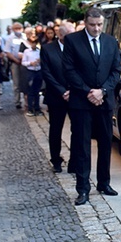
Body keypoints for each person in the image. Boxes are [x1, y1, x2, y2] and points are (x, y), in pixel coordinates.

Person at [63, 7, 121, 206]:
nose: (96, 29)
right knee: (82, 146)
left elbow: (116, 71)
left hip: (104, 102)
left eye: (99, 25)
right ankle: (83, 189)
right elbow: (69, 70)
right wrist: (88, 91)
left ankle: (104, 183)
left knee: (106, 143)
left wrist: (102, 91)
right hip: (81, 102)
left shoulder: (111, 42)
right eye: (92, 25)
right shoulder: (72, 41)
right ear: (85, 23)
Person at [42, 22, 76, 173]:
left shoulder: (78, 48)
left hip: (76, 95)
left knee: (78, 129)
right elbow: (47, 73)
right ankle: (55, 160)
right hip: (56, 96)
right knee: (56, 129)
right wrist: (62, 91)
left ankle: (74, 162)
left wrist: (74, 90)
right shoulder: (48, 49)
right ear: (60, 35)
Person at [5, 22, 28, 109]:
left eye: (19, 28)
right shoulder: (10, 38)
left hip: (25, 63)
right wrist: (16, 60)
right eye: (16, 28)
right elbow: (7, 52)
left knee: (25, 82)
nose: (18, 30)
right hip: (15, 62)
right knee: (16, 83)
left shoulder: (25, 37)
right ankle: (17, 101)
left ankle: (26, 101)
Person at [21, 33, 43, 116]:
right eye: (32, 42)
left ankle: (37, 108)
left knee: (37, 91)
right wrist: (30, 63)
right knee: (30, 91)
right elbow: (23, 62)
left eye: (35, 42)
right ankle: (30, 108)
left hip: (38, 71)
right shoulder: (26, 51)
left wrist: (40, 61)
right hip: (30, 72)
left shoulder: (39, 51)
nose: (34, 44)